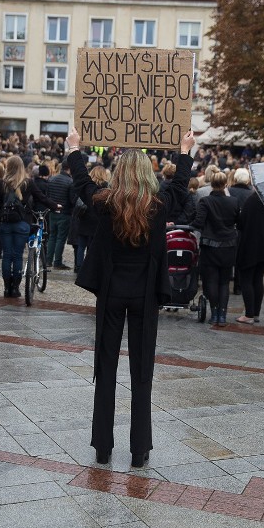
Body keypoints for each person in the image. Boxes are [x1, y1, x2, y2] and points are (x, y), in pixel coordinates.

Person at [67, 127, 196, 468]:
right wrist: (185, 151)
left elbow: (82, 183)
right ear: (147, 174)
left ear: (118, 173)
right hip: (144, 295)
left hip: (111, 293)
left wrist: (75, 148)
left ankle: (103, 446)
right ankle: (140, 449)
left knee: (105, 367)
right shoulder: (158, 205)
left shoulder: (105, 203)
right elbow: (180, 187)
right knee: (142, 371)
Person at [0, 155, 59, 298]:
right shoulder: (27, 183)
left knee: (7, 256)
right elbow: (41, 197)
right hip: (22, 223)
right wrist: (55, 206)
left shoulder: (2, 183)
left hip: (5, 224)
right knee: (18, 256)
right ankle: (16, 288)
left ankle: (7, 288)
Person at [191, 170, 240, 326]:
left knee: (211, 281)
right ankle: (222, 315)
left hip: (210, 245)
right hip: (229, 245)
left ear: (211, 184)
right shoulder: (234, 201)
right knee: (224, 282)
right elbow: (239, 221)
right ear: (226, 184)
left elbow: (198, 223)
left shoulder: (205, 201)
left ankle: (214, 313)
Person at [235, 189, 264, 324]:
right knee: (258, 279)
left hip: (251, 246)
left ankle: (249, 315)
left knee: (247, 279)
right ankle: (255, 313)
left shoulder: (251, 201)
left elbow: (241, 222)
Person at [74, 165, 110, 273]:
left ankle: (79, 266)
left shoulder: (88, 187)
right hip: (96, 221)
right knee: (92, 247)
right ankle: (89, 268)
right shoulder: (105, 188)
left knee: (81, 246)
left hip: (84, 219)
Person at [46, 162, 75, 269]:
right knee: (60, 238)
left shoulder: (51, 179)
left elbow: (47, 196)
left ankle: (48, 261)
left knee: (52, 236)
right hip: (64, 213)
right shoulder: (70, 182)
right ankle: (57, 262)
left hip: (53, 212)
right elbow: (72, 200)